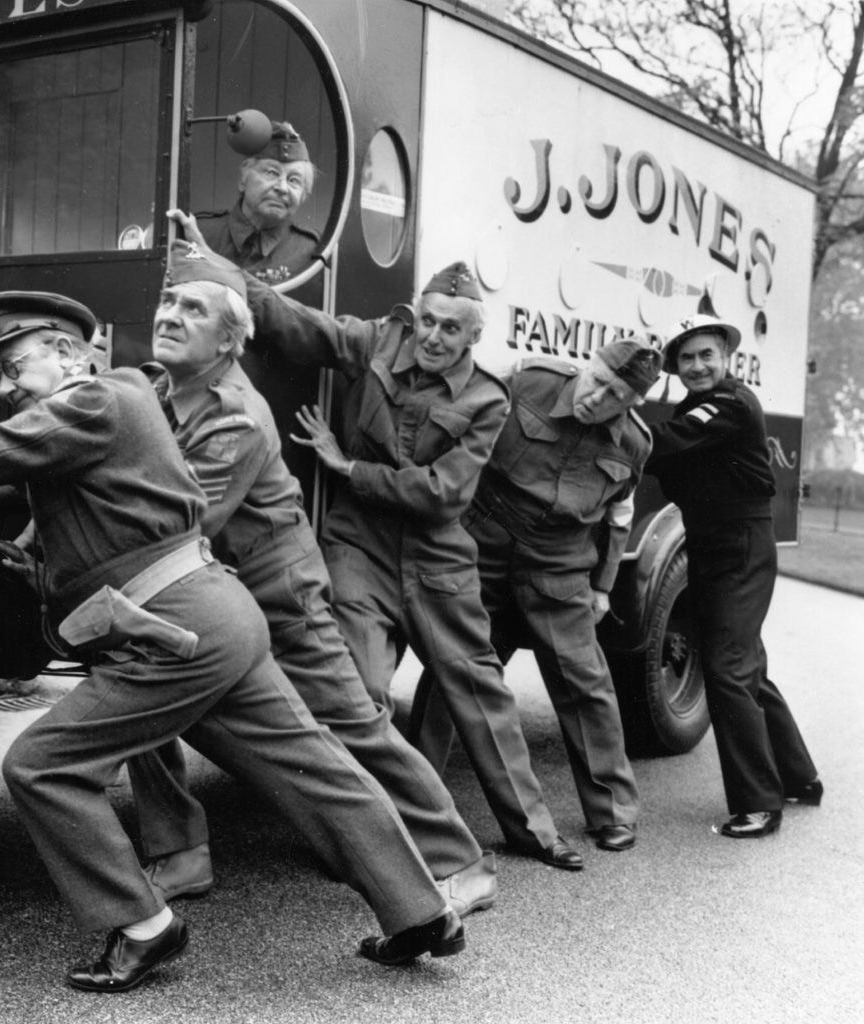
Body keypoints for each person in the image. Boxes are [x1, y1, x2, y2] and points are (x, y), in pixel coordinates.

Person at [0, 290, 465, 992]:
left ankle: (144, 926)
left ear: (65, 354)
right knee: (313, 767)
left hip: (173, 629)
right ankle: (421, 912)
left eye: (13, 366)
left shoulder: (101, 400)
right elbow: (25, 490)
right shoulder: (89, 420)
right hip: (211, 617)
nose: (4, 388)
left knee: (41, 765)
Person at [127, 237, 496, 918]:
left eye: (191, 307)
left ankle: (460, 863)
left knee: (350, 722)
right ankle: (178, 851)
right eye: (167, 301)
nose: (171, 316)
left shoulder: (236, 411)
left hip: (276, 592)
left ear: (228, 340)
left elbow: (184, 522)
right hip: (211, 587)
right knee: (133, 691)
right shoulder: (156, 388)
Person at [224, 247, 585, 870]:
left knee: (477, 689)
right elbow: (293, 321)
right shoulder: (379, 342)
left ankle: (533, 830)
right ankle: (363, 837)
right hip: (357, 545)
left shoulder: (487, 399)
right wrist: (216, 267)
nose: (434, 337)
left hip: (437, 556)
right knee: (356, 690)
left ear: (474, 336)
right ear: (413, 317)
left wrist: (350, 467)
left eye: (451, 327)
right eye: (428, 320)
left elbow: (446, 492)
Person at [409, 341, 662, 854]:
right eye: (599, 381)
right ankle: (411, 799)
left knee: (585, 679)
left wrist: (603, 587)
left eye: (616, 395)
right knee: (453, 671)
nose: (598, 397)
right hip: (483, 540)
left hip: (559, 560)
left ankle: (612, 810)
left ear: (631, 403)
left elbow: (618, 514)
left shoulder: (635, 443)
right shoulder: (526, 379)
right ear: (588, 366)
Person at [644, 314, 822, 838]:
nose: (697, 366)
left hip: (740, 546)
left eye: (706, 355)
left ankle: (758, 805)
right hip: (713, 545)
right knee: (746, 666)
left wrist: (602, 417)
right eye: (686, 358)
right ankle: (799, 777)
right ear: (675, 366)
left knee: (726, 668)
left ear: (726, 358)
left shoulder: (730, 402)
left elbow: (664, 444)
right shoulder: (694, 406)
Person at [194, 120, 319, 284]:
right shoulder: (199, 233)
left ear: (303, 195)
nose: (282, 188)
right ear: (243, 179)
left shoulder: (311, 250)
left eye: (294, 180)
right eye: (271, 172)